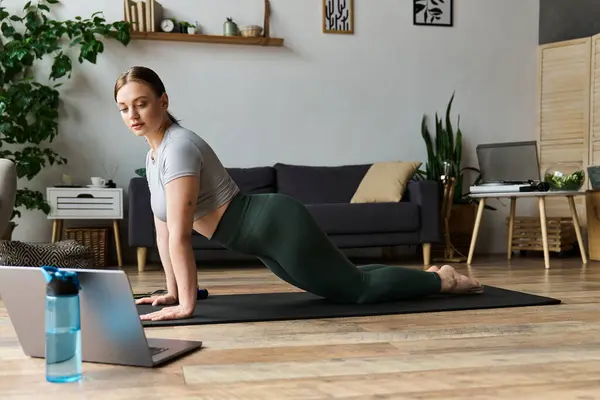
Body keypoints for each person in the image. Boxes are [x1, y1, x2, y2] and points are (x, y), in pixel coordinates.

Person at [114, 66, 484, 322]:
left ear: (163, 101)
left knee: (356, 290)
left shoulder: (178, 148)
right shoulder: (153, 154)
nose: (132, 114)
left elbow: (180, 235)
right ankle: (429, 276)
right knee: (345, 279)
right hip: (261, 238)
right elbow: (162, 230)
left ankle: (442, 280)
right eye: (124, 108)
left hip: (276, 226)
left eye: (141, 103)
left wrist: (187, 306)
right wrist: (172, 293)